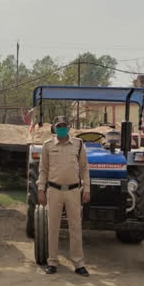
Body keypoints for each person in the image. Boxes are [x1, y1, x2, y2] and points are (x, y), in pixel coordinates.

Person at [37, 116, 91, 275]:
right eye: (58, 126)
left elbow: (84, 169)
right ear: (54, 128)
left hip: (73, 191)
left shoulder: (78, 144)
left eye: (64, 125)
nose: (61, 128)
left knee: (75, 227)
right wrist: (41, 190)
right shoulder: (47, 146)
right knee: (52, 227)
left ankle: (78, 263)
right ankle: (52, 262)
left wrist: (86, 189)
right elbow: (43, 170)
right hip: (54, 190)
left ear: (69, 127)